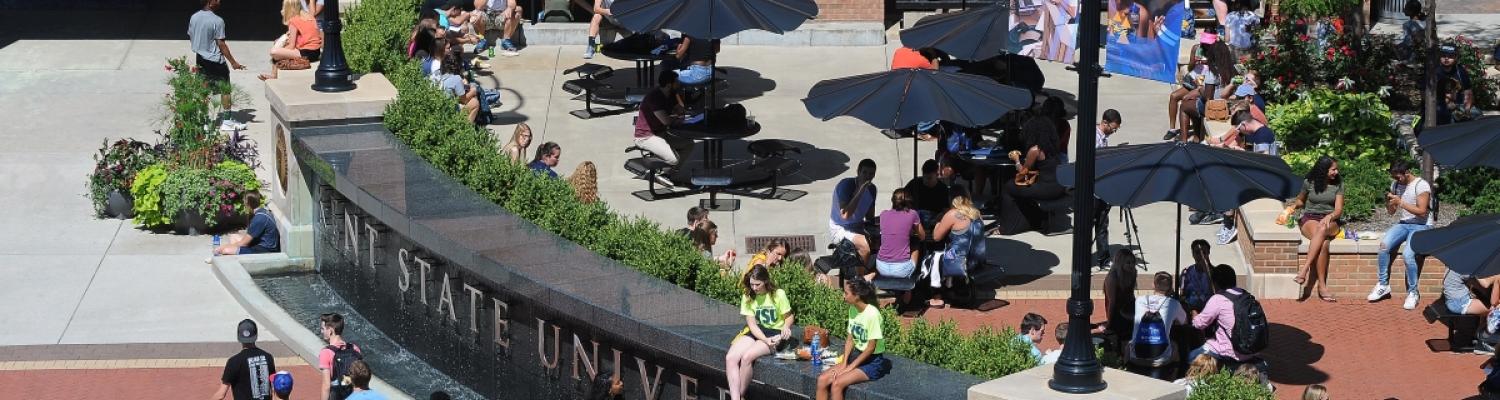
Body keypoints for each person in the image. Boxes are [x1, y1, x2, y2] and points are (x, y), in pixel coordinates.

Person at [1368, 160, 1434, 309]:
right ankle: (1383, 285)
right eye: (1394, 177)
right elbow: (1391, 212)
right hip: (1404, 224)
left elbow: (1422, 212)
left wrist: (1401, 202)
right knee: (1384, 246)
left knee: (1408, 255)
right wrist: (1390, 203)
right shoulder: (1396, 185)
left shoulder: (1421, 185)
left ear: (1407, 173)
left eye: (1398, 177)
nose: (1396, 180)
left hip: (1422, 225)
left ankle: (1413, 292)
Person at [1277, 156, 1343, 302]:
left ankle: (1304, 269)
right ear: (1323, 170)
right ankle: (1322, 286)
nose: (1336, 172)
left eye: (1336, 169)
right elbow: (1301, 200)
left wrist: (1330, 216)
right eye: (1333, 169)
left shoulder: (1338, 184)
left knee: (1321, 230)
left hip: (1331, 220)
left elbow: (1338, 210)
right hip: (1310, 218)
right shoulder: (1309, 183)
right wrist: (1293, 206)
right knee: (1323, 243)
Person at [725, 265, 795, 400]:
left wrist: (786, 327)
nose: (755, 288)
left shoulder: (778, 294)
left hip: (775, 332)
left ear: (766, 281)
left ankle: (740, 395)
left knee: (747, 357)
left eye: (758, 284)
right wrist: (764, 339)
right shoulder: (748, 296)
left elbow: (789, 316)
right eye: (752, 284)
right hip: (758, 330)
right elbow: (752, 324)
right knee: (731, 358)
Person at [815, 279, 891, 400]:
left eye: (846, 293)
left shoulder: (873, 314)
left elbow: (871, 348)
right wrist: (845, 362)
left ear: (857, 296)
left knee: (837, 384)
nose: (843, 296)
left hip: (872, 362)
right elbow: (850, 340)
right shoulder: (853, 309)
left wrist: (850, 368)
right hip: (855, 357)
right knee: (822, 380)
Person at [994, 117, 1067, 235]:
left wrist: (1016, 160)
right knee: (1020, 188)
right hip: (1058, 187)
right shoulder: (1052, 147)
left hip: (1046, 189)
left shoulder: (1035, 150)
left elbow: (1023, 172)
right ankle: (1032, 219)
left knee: (1008, 187)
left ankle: (1006, 227)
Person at [189, 0, 248, 130]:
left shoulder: (194, 17)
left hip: (200, 59)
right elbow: (221, 44)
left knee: (204, 91)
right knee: (225, 91)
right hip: (216, 61)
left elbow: (191, 35)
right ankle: (227, 122)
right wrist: (233, 62)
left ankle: (205, 122)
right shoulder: (217, 20)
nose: (219, 1)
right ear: (210, 2)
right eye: (216, 0)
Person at [634, 69, 694, 186]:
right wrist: (677, 118)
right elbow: (666, 120)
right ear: (669, 85)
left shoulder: (670, 94)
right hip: (646, 136)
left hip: (661, 133)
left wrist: (679, 105)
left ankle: (668, 174)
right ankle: (652, 170)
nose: (679, 84)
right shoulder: (654, 97)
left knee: (689, 144)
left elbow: (680, 109)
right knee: (674, 159)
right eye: (676, 82)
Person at [1189, 264, 1257, 364]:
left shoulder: (1218, 299)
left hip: (1230, 352)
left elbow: (1199, 324)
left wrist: (1194, 312)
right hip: (1250, 349)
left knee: (1190, 357)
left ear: (1215, 283)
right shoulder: (1246, 295)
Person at [1128, 272, 1189, 379]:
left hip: (1135, 356)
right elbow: (1184, 322)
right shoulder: (1173, 304)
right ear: (1170, 288)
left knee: (1128, 344)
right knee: (1175, 345)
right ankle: (1174, 378)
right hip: (1160, 359)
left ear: (1153, 285)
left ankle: (1127, 368)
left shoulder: (1140, 300)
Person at [929, 193, 984, 308]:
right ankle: (952, 285)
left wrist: (938, 223)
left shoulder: (952, 214)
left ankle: (937, 295)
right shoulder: (976, 214)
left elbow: (936, 237)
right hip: (976, 258)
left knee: (934, 256)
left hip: (958, 261)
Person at [212, 319, 277, 400]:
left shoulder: (234, 362)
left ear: (239, 336)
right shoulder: (268, 357)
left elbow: (221, 395)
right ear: (256, 335)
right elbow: (275, 388)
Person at [829, 159, 879, 266]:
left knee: (880, 240)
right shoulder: (846, 185)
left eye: (871, 174)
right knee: (864, 246)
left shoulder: (872, 190)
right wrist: (861, 190)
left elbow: (869, 217)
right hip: (840, 227)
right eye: (864, 172)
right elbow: (846, 215)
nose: (867, 176)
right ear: (858, 172)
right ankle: (860, 278)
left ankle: (866, 269)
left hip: (858, 226)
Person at [259, 0, 323, 81]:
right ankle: (274, 74)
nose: (281, 10)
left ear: (288, 8)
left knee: (274, 52)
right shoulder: (309, 16)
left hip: (307, 52)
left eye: (283, 7)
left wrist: (280, 48)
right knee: (279, 47)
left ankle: (274, 74)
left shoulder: (294, 20)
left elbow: (291, 46)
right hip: (315, 52)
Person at [874, 189, 926, 282]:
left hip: (881, 267)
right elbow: (922, 236)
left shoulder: (883, 214)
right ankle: (908, 292)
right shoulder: (913, 213)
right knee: (916, 245)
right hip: (901, 270)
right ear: (909, 201)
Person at [1093, 109, 1121, 267]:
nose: (1114, 131)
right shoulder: (1095, 139)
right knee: (1095, 222)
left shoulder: (1103, 138)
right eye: (1113, 128)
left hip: (1102, 186)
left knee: (1103, 223)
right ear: (1104, 123)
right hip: (1093, 187)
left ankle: (1103, 258)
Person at [215, 193, 280, 255]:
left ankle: (237, 255)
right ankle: (239, 254)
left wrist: (223, 247)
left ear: (248, 204)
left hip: (265, 250)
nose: (244, 205)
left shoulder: (259, 219)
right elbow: (249, 236)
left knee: (226, 250)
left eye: (244, 203)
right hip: (261, 243)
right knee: (233, 236)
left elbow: (243, 243)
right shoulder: (262, 211)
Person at [318, 313, 363, 400]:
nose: (321, 331)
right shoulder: (355, 349)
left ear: (330, 330)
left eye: (323, 329)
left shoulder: (326, 353)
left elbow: (326, 386)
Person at [1103, 249, 1138, 354]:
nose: (1131, 265)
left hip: (1127, 307)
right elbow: (1112, 302)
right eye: (1128, 263)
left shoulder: (1133, 273)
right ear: (1120, 263)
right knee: (1116, 336)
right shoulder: (1112, 278)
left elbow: (1131, 294)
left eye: (1133, 262)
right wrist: (1109, 323)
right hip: (1115, 310)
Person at [434, 52, 482, 123]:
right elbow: (464, 100)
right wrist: (473, 90)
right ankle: (465, 129)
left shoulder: (435, 74)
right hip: (448, 111)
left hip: (435, 108)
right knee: (474, 102)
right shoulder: (456, 78)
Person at [1437, 44, 1479, 125]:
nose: (1446, 58)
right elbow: (1425, 95)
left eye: (1450, 56)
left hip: (1459, 105)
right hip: (1439, 106)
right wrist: (1447, 103)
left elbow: (1468, 92)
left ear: (1456, 57)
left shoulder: (1461, 71)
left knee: (1477, 115)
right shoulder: (1434, 71)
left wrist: (1467, 110)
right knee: (1445, 116)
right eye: (1443, 55)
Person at [903, 159, 952, 228]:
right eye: (924, 177)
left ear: (937, 175)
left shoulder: (943, 189)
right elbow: (901, 198)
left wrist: (940, 216)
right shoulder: (914, 183)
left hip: (935, 224)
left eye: (929, 178)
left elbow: (946, 209)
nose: (926, 180)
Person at [1180, 240, 1216, 315]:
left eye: (1204, 252)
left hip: (1211, 313)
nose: (1201, 256)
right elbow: (1182, 295)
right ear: (1193, 254)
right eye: (1197, 252)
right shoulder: (1186, 272)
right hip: (1191, 312)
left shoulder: (1216, 273)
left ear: (1208, 253)